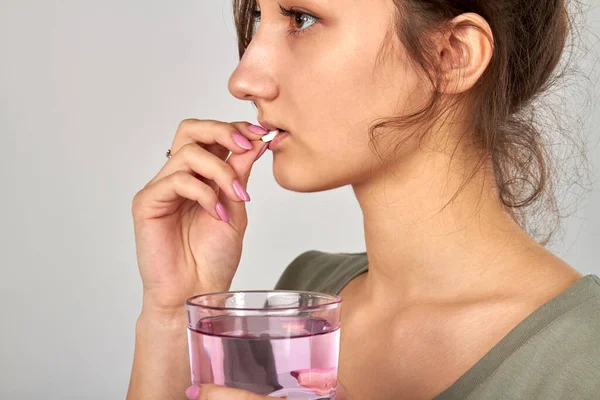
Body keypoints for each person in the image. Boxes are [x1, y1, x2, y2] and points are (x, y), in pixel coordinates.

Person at [126, 0, 600, 399]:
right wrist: (170, 313)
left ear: (451, 55)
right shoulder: (306, 299)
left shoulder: (583, 359)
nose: (244, 79)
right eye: (256, 17)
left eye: (300, 19)